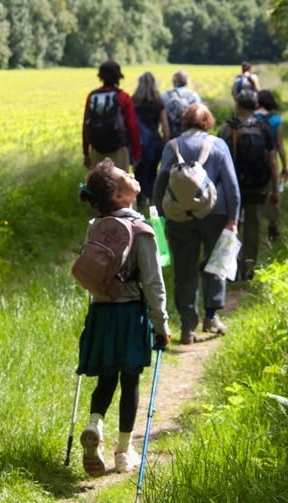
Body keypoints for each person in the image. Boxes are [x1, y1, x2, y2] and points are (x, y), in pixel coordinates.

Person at [77, 159, 171, 477]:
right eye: (124, 176)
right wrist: (162, 325)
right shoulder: (141, 230)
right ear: (118, 196)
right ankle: (123, 451)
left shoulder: (96, 227)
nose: (131, 174)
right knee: (129, 381)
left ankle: (94, 425)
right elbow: (153, 282)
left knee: (106, 379)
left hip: (100, 313)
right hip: (131, 313)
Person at [153, 103, 240, 344]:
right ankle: (211, 317)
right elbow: (232, 186)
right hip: (215, 214)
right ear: (208, 122)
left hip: (179, 217)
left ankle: (187, 328)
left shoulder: (172, 146)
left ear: (184, 121)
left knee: (185, 270)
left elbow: (161, 183)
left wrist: (160, 220)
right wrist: (233, 219)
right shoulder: (218, 145)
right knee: (215, 264)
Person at [218, 90, 279, 282]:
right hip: (258, 186)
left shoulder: (227, 128)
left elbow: (218, 161)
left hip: (232, 187)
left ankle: (231, 270)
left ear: (238, 105)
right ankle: (249, 269)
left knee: (232, 225)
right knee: (252, 227)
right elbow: (272, 161)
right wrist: (275, 189)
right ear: (255, 106)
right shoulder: (264, 127)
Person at [83, 60, 141, 171]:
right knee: (120, 186)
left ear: (101, 76)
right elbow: (132, 127)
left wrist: (86, 153)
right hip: (119, 149)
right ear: (118, 77)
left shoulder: (92, 97)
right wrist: (136, 152)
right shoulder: (123, 97)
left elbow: (85, 126)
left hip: (97, 149)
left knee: (99, 186)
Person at [132, 72, 170, 208]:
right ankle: (153, 202)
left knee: (140, 173)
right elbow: (165, 125)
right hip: (155, 143)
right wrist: (166, 143)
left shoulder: (134, 102)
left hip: (139, 143)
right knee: (153, 172)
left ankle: (142, 203)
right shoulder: (158, 102)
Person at [254, 90, 288, 241]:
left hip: (251, 162)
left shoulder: (250, 118)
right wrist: (284, 166)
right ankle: (272, 226)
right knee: (272, 193)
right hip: (270, 161)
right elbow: (279, 144)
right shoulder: (276, 120)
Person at [161, 69, 203, 139]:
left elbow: (163, 122)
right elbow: (202, 117)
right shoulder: (194, 96)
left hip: (172, 137)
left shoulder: (165, 96)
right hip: (191, 137)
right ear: (187, 82)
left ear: (174, 82)